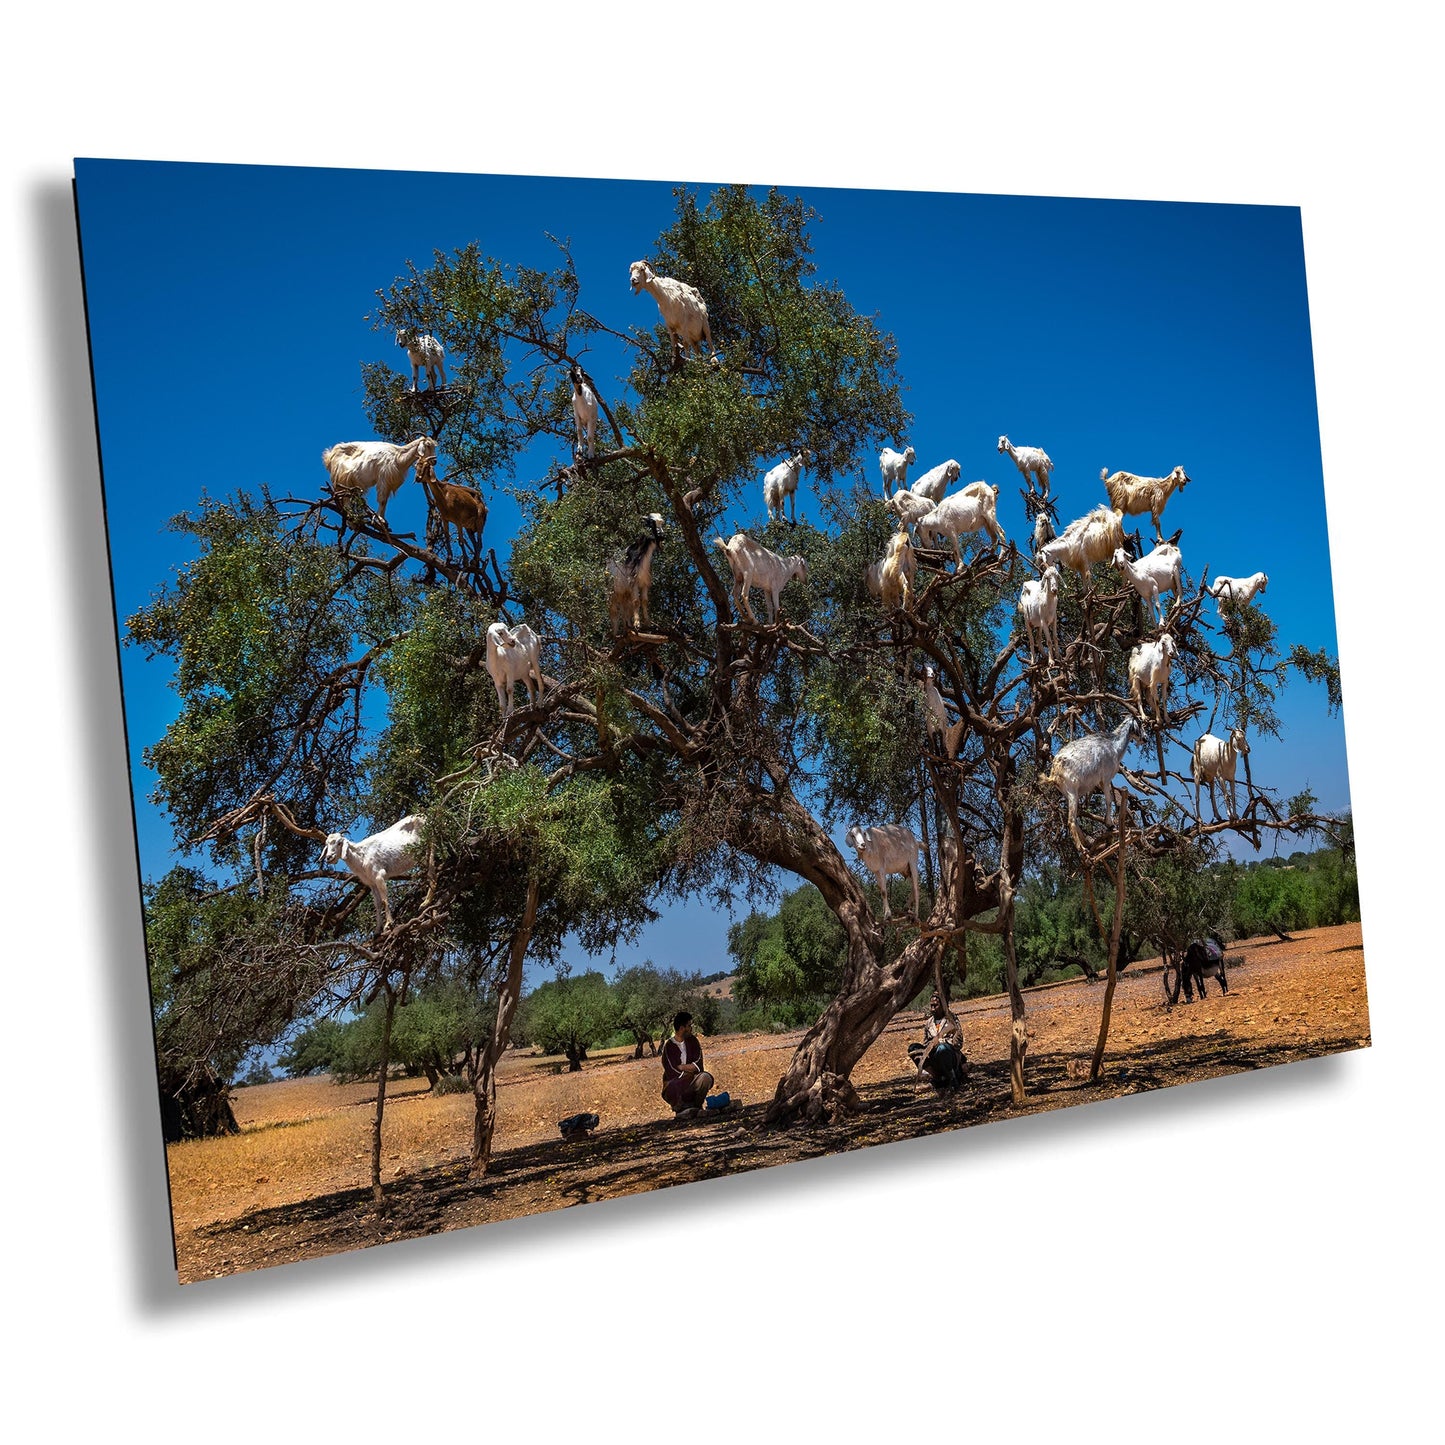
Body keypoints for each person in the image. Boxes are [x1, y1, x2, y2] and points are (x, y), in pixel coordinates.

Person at [908, 993, 967, 1090]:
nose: (933, 1008)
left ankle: (952, 1078)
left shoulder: (951, 1019)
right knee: (913, 1049)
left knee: (942, 1049)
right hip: (934, 1054)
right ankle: (937, 1077)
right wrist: (929, 1047)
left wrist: (941, 1041)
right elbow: (926, 1042)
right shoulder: (929, 1023)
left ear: (943, 1006)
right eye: (931, 1006)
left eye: (936, 1005)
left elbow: (958, 1042)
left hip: (949, 1054)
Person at [661, 1011, 714, 1118]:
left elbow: (698, 1064)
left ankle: (697, 1106)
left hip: (693, 1080)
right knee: (672, 1086)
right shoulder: (669, 1046)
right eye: (689, 1026)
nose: (691, 1028)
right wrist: (687, 1071)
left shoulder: (693, 1041)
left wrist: (682, 1067)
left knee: (705, 1078)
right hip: (676, 1083)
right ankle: (680, 1109)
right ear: (681, 1028)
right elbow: (671, 1069)